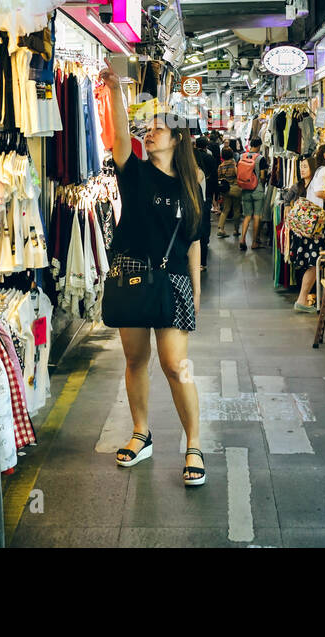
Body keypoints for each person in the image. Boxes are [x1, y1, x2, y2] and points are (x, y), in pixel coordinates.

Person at [98, 62, 209, 487]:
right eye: (149, 128)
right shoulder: (136, 174)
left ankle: (193, 443)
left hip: (174, 281)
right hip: (130, 275)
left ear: (177, 138)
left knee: (176, 365)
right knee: (134, 359)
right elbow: (121, 136)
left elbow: (194, 241)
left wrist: (196, 293)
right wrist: (113, 91)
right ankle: (140, 433)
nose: (150, 133)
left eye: (159, 128)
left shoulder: (190, 183)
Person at [290, 144, 325, 313]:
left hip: (313, 224)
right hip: (317, 225)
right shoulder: (323, 171)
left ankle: (306, 299)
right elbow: (318, 192)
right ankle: (302, 299)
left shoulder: (319, 171)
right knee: (314, 263)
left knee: (315, 263)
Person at [235, 136, 271, 251]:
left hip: (245, 188)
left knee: (247, 216)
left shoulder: (242, 156)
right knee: (257, 216)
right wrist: (262, 182)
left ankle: (242, 239)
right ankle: (255, 242)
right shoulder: (260, 158)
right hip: (257, 189)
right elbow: (262, 176)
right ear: (260, 145)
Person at [194, 136, 218, 269]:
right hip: (206, 195)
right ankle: (203, 256)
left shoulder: (192, 157)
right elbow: (214, 178)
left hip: (194, 198)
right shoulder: (209, 158)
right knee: (204, 224)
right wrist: (216, 197)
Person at [216, 147, 241, 238]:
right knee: (236, 209)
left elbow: (218, 178)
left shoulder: (220, 166)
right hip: (235, 189)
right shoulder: (234, 163)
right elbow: (238, 175)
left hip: (225, 190)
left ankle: (220, 228)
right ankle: (236, 230)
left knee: (225, 209)